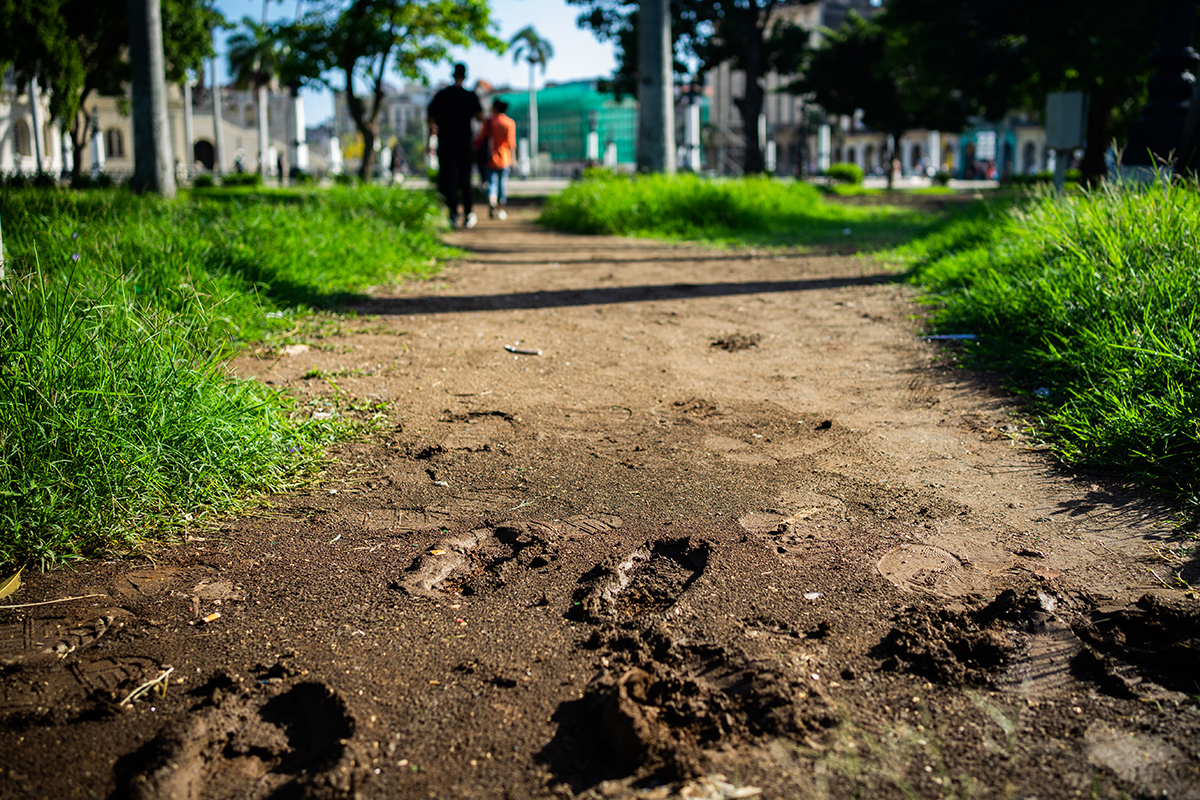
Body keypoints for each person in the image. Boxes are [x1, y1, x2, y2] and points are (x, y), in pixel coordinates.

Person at [427, 63, 484, 228]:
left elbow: (430, 117)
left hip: (445, 143)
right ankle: (468, 213)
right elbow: (480, 118)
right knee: (466, 179)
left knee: (449, 180)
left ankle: (453, 214)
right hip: (464, 143)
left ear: (453, 75)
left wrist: (433, 130)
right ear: (465, 76)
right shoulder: (470, 96)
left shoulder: (441, 95)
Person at [480, 99, 516, 220]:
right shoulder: (509, 123)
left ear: (495, 108)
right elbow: (511, 143)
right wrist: (513, 158)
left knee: (491, 182)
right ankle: (501, 208)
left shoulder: (489, 122)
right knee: (502, 183)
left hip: (490, 157)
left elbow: (481, 138)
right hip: (505, 158)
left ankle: (492, 198)